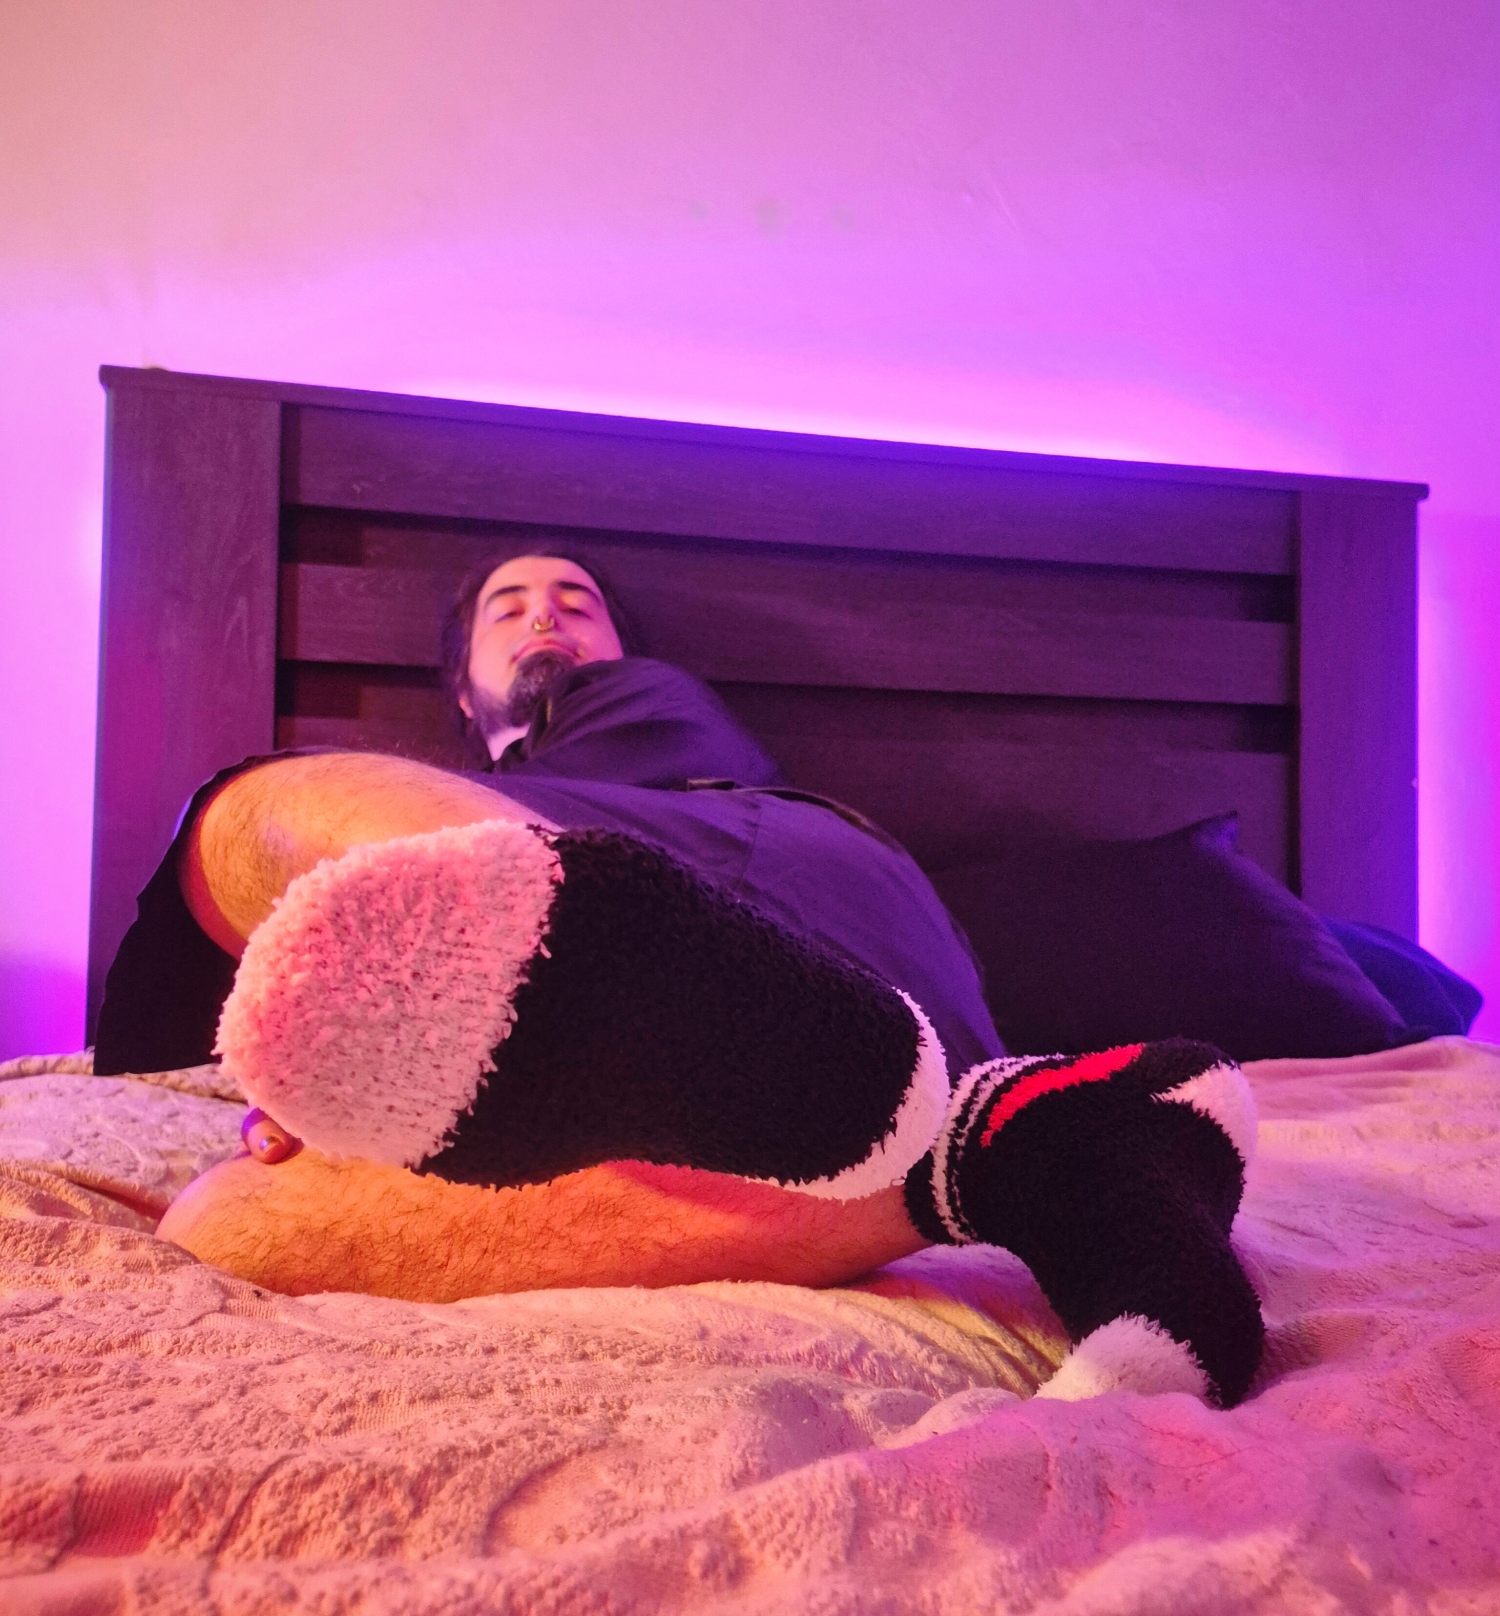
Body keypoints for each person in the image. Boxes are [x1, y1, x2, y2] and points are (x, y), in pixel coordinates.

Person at [99, 551, 1266, 1404]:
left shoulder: (651, 708)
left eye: (578, 600)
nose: (546, 613)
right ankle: (1014, 1142)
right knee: (230, 1226)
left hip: (769, 870)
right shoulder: (462, 777)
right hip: (874, 1054)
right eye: (509, 604)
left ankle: (568, 940)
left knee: (248, 809)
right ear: (459, 690)